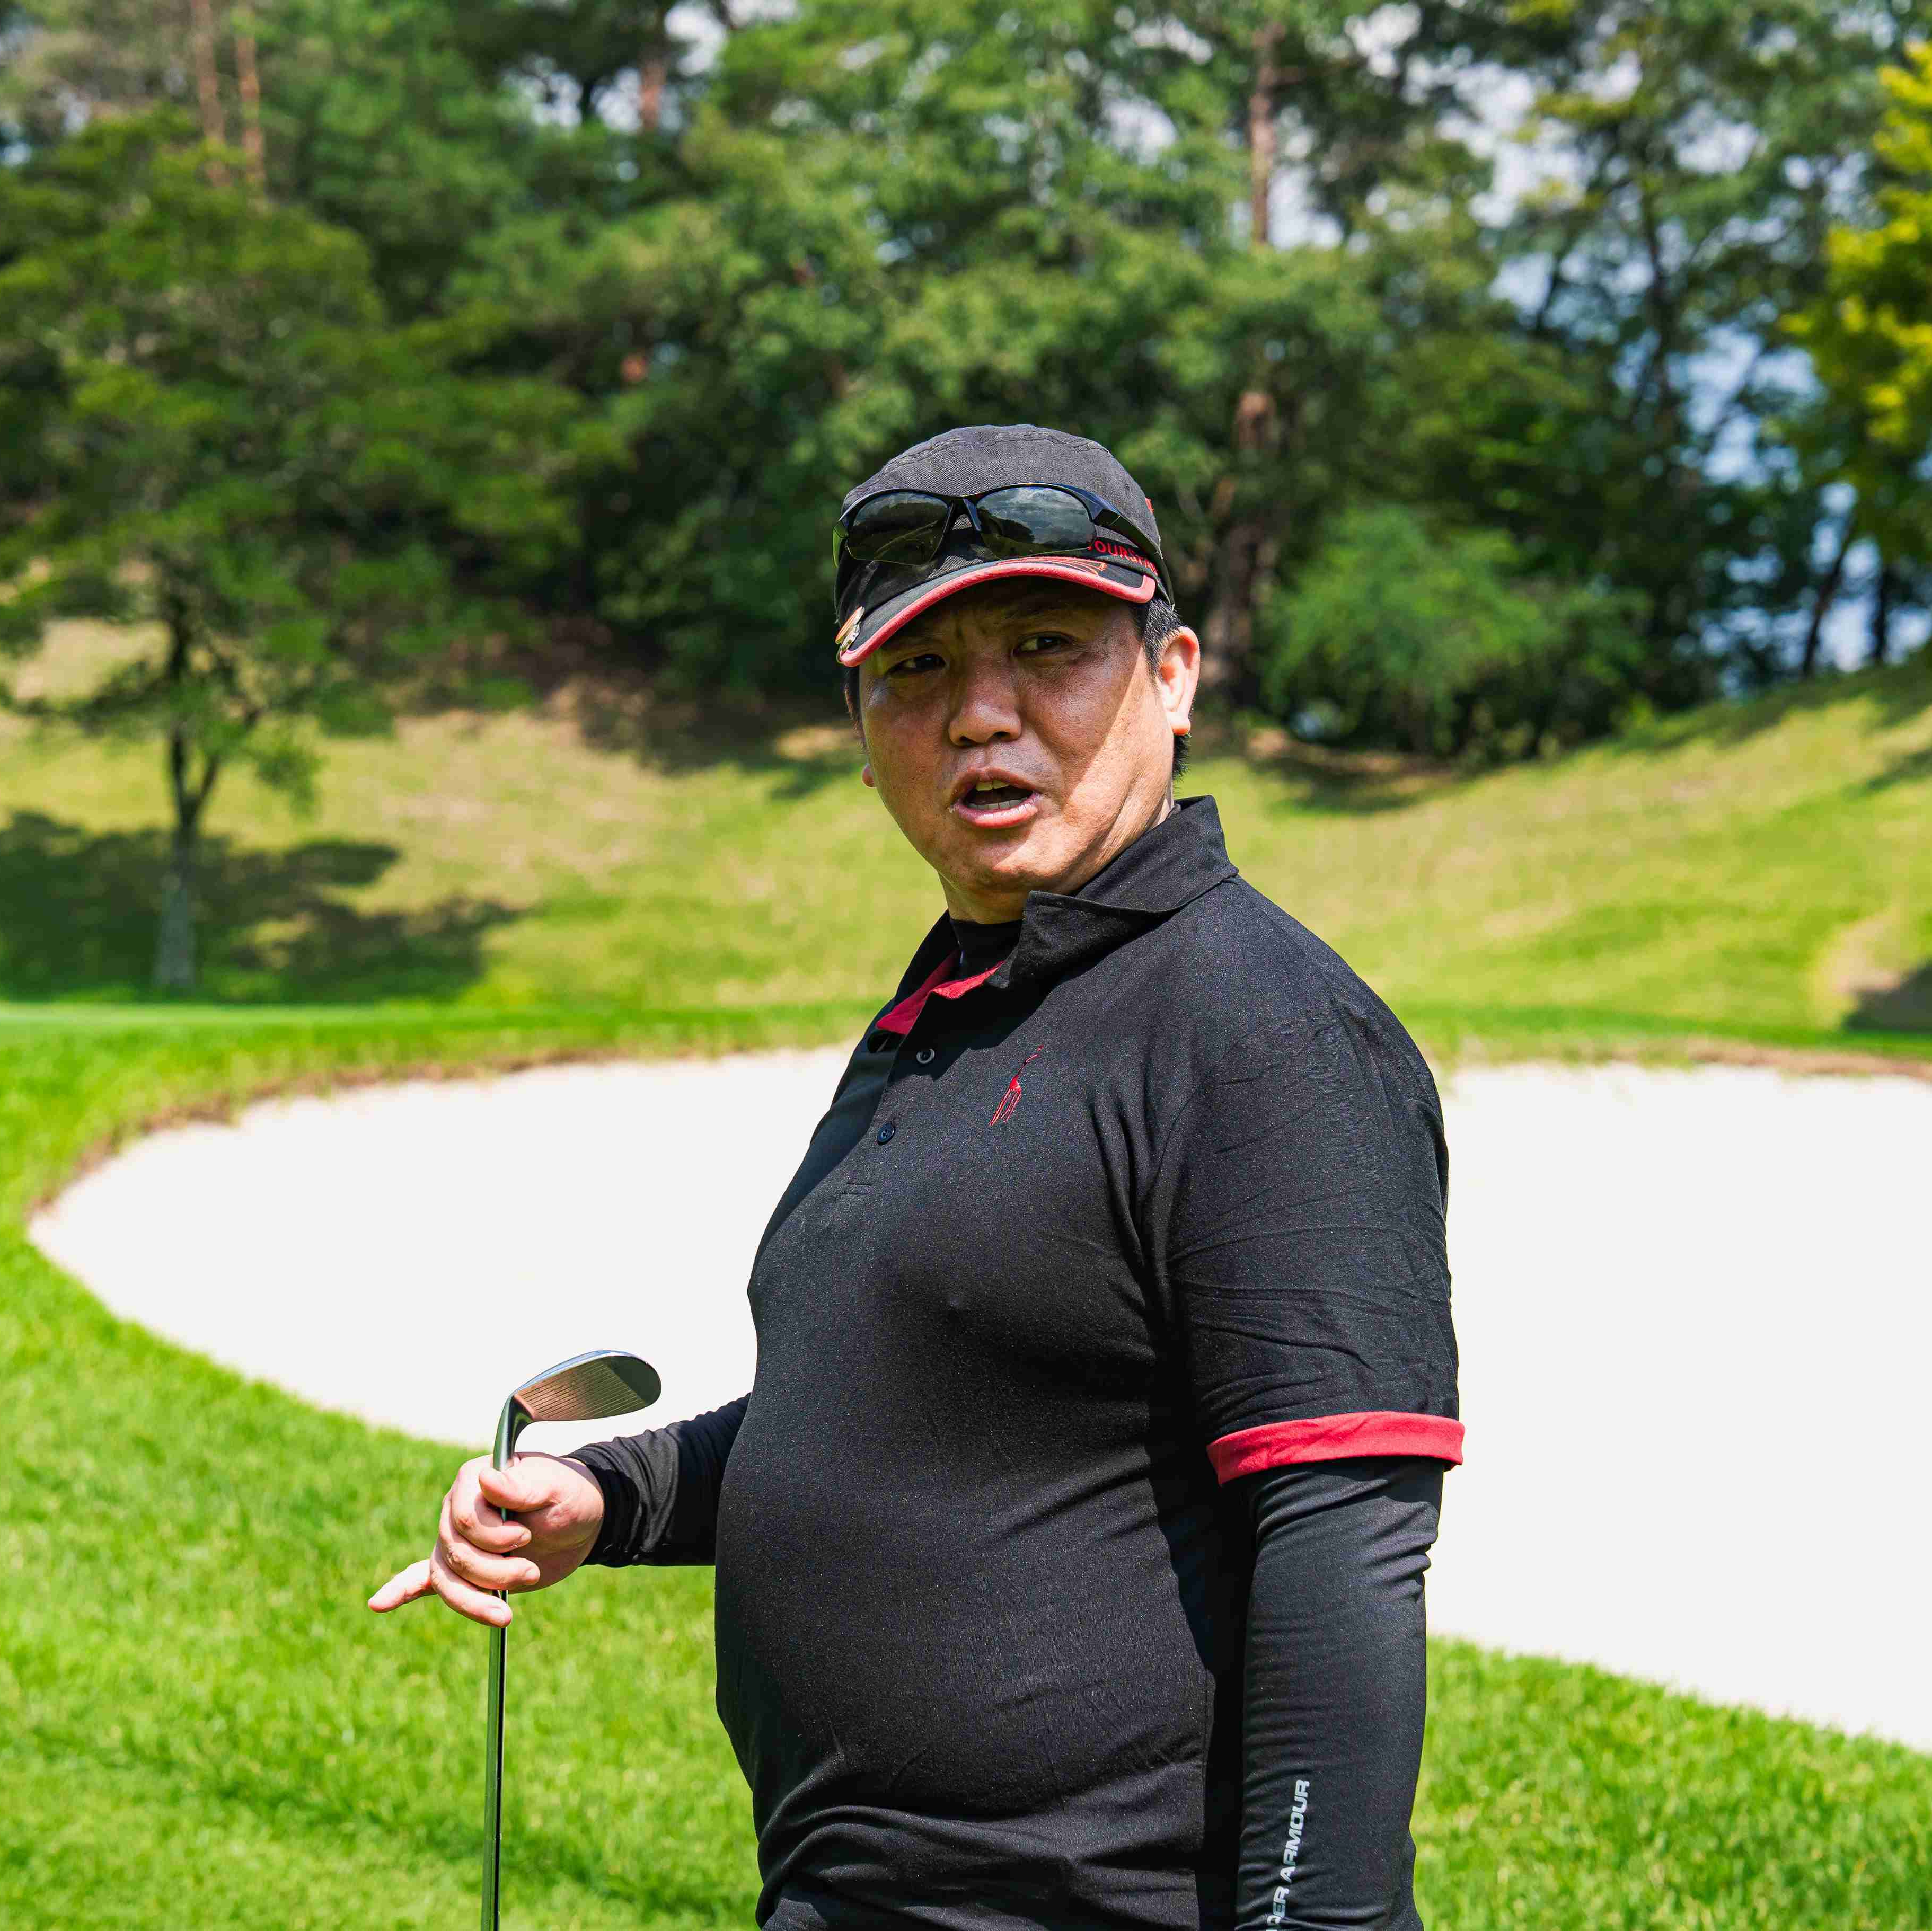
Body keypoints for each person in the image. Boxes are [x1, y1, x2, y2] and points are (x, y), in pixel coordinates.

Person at [372, 424, 1462, 1930]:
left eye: (1047, 648)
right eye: (917, 668)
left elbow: (1341, 1541)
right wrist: (609, 1494)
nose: (979, 713)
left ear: (1173, 676)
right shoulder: (956, 1006)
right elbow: (907, 1406)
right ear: (858, 715)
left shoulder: (1260, 1028)